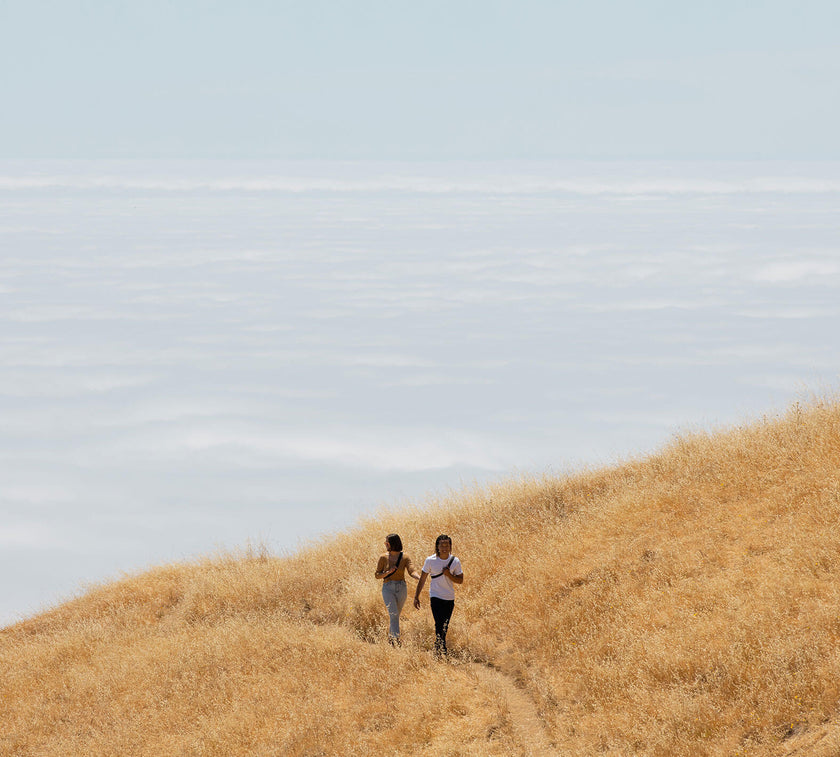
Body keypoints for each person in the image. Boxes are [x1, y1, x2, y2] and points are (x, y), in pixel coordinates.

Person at [413, 534, 463, 657]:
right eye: (442, 545)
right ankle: (442, 649)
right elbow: (423, 579)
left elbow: (460, 580)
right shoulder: (430, 560)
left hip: (449, 597)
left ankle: (438, 645)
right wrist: (416, 596)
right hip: (435, 596)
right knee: (439, 623)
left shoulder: (455, 561)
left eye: (447, 545)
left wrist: (448, 574)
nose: (445, 547)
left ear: (450, 546)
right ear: (437, 546)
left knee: (445, 624)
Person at [374, 533, 420, 645]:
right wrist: (388, 572)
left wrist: (419, 578)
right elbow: (377, 575)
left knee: (395, 615)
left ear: (393, 543)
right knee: (394, 614)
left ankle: (391, 639)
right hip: (388, 587)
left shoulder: (405, 557)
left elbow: (411, 570)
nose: (385, 545)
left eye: (387, 542)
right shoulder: (383, 557)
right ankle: (396, 641)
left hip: (401, 588)